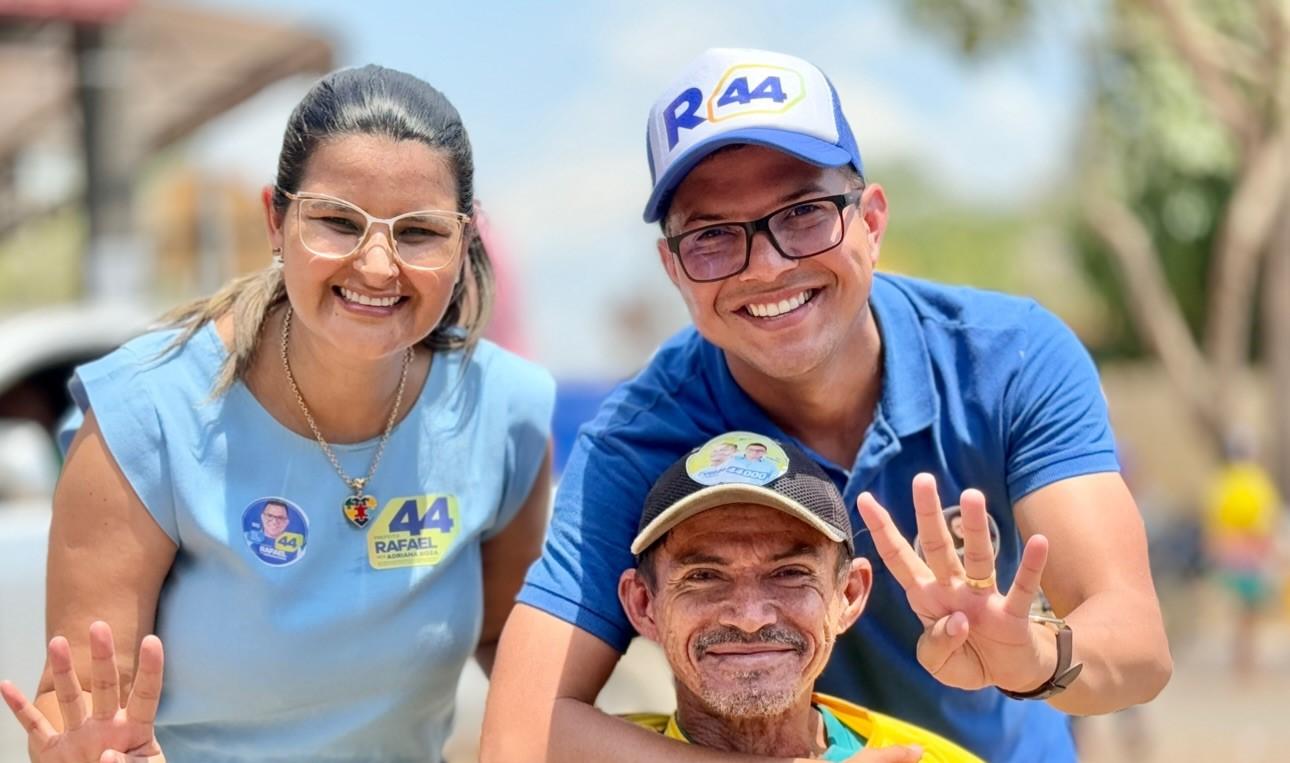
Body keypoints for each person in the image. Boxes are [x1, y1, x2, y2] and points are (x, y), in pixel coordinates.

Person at [482, 48, 1171, 762]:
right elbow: (516, 735)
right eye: (713, 236)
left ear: (871, 222)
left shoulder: (1009, 360)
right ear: (674, 268)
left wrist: (1030, 657)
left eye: (805, 214)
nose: (768, 265)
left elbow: (1138, 643)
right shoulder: (639, 437)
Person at [1, 64, 554, 763]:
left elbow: (517, 650)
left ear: (464, 240)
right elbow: (76, 703)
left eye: (418, 233)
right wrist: (84, 751)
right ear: (276, 219)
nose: (378, 266)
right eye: (336, 221)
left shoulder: (507, 414)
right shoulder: (144, 416)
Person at [618, 434, 982, 762]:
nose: (750, 617)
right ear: (643, 605)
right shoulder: (579, 749)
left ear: (849, 595)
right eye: (704, 577)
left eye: (790, 574)